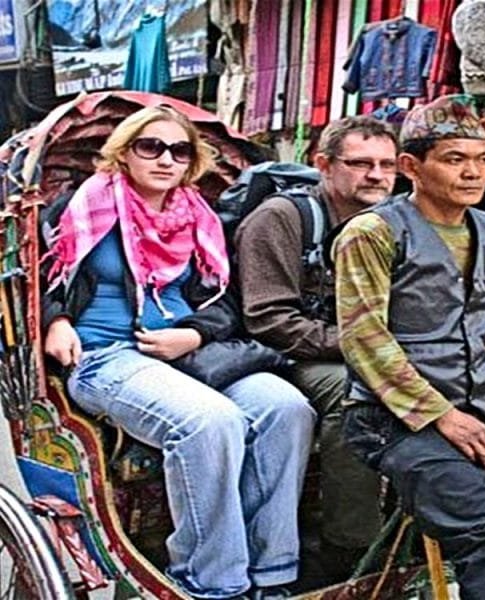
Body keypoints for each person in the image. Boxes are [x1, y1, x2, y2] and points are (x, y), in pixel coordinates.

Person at [41, 105, 315, 600]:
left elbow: (226, 300)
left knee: (286, 409)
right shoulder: (78, 207)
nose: (165, 159)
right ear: (124, 153)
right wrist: (55, 320)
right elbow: (36, 277)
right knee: (209, 422)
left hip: (190, 353)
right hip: (107, 355)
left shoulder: (201, 219)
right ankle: (212, 581)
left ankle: (272, 572)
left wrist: (194, 333)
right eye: (151, 147)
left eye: (179, 150)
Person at [331, 95, 485, 600]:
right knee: (482, 530)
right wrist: (439, 416)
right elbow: (364, 338)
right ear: (412, 166)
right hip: (394, 419)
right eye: (455, 159)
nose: (473, 173)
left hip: (481, 411)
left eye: (482, 159)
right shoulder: (372, 233)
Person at [234, 115, 397, 581]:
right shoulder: (282, 218)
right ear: (324, 164)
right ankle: (349, 550)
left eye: (387, 165)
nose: (376, 175)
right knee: (356, 396)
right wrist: (367, 350)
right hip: (284, 358)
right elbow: (269, 319)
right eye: (360, 163)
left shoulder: (389, 221)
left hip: (359, 349)